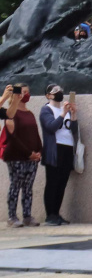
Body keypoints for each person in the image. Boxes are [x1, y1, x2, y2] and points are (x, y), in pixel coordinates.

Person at [0, 85, 42, 227]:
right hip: (16, 156)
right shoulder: (11, 113)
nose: (25, 95)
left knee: (28, 187)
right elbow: (14, 137)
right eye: (22, 92)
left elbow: (35, 134)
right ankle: (12, 217)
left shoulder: (29, 113)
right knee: (15, 185)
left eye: (27, 92)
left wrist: (38, 151)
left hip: (32, 158)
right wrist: (28, 153)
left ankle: (27, 216)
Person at [39, 85, 78, 226]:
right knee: (52, 183)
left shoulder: (65, 110)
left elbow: (72, 129)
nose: (59, 93)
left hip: (67, 148)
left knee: (62, 183)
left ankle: (56, 213)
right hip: (54, 150)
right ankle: (50, 215)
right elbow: (51, 127)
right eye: (55, 91)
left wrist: (73, 114)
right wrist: (62, 113)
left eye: (60, 90)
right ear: (48, 95)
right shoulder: (46, 110)